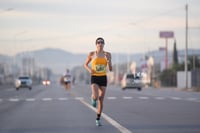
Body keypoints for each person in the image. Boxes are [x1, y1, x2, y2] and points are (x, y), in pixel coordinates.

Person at [84, 37, 112, 126]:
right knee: (96, 96)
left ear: (104, 44)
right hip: (95, 77)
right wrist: (89, 69)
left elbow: (110, 69)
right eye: (98, 42)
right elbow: (85, 64)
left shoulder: (107, 54)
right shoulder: (92, 54)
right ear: (96, 44)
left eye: (102, 42)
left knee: (101, 99)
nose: (100, 44)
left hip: (103, 77)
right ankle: (93, 98)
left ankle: (98, 118)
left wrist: (109, 60)